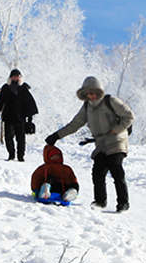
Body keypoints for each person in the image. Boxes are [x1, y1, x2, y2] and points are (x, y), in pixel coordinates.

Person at [45, 75, 134, 211]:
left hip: (117, 140)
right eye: (88, 94)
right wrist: (56, 136)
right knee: (98, 171)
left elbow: (129, 116)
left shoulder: (110, 101)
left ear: (99, 92)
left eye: (93, 93)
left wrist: (116, 130)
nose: (91, 96)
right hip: (101, 144)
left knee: (116, 169)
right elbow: (75, 124)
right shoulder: (87, 107)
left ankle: (123, 203)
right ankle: (100, 201)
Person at [0, 68, 38, 162]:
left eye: (17, 76)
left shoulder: (23, 88)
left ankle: (20, 156)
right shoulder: (5, 87)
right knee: (8, 137)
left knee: (21, 138)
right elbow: (0, 102)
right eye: (13, 76)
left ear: (20, 77)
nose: (15, 77)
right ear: (10, 77)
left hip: (20, 117)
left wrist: (29, 119)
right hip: (8, 116)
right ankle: (11, 154)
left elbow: (30, 103)